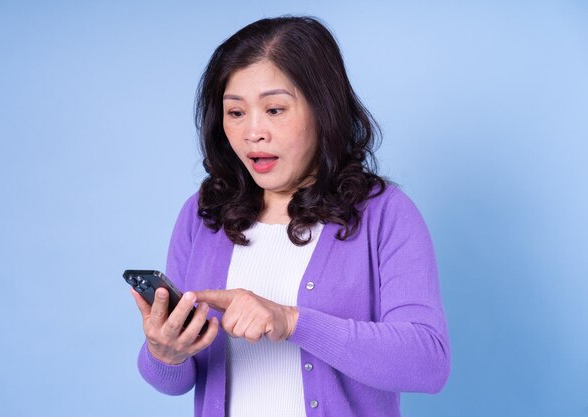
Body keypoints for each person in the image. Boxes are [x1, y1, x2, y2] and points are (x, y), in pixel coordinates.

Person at [131, 16, 450, 417]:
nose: (253, 132)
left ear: (323, 109)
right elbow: (175, 381)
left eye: (275, 109)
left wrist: (291, 321)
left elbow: (428, 364)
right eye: (235, 113)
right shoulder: (204, 214)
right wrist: (165, 351)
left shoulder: (385, 213)